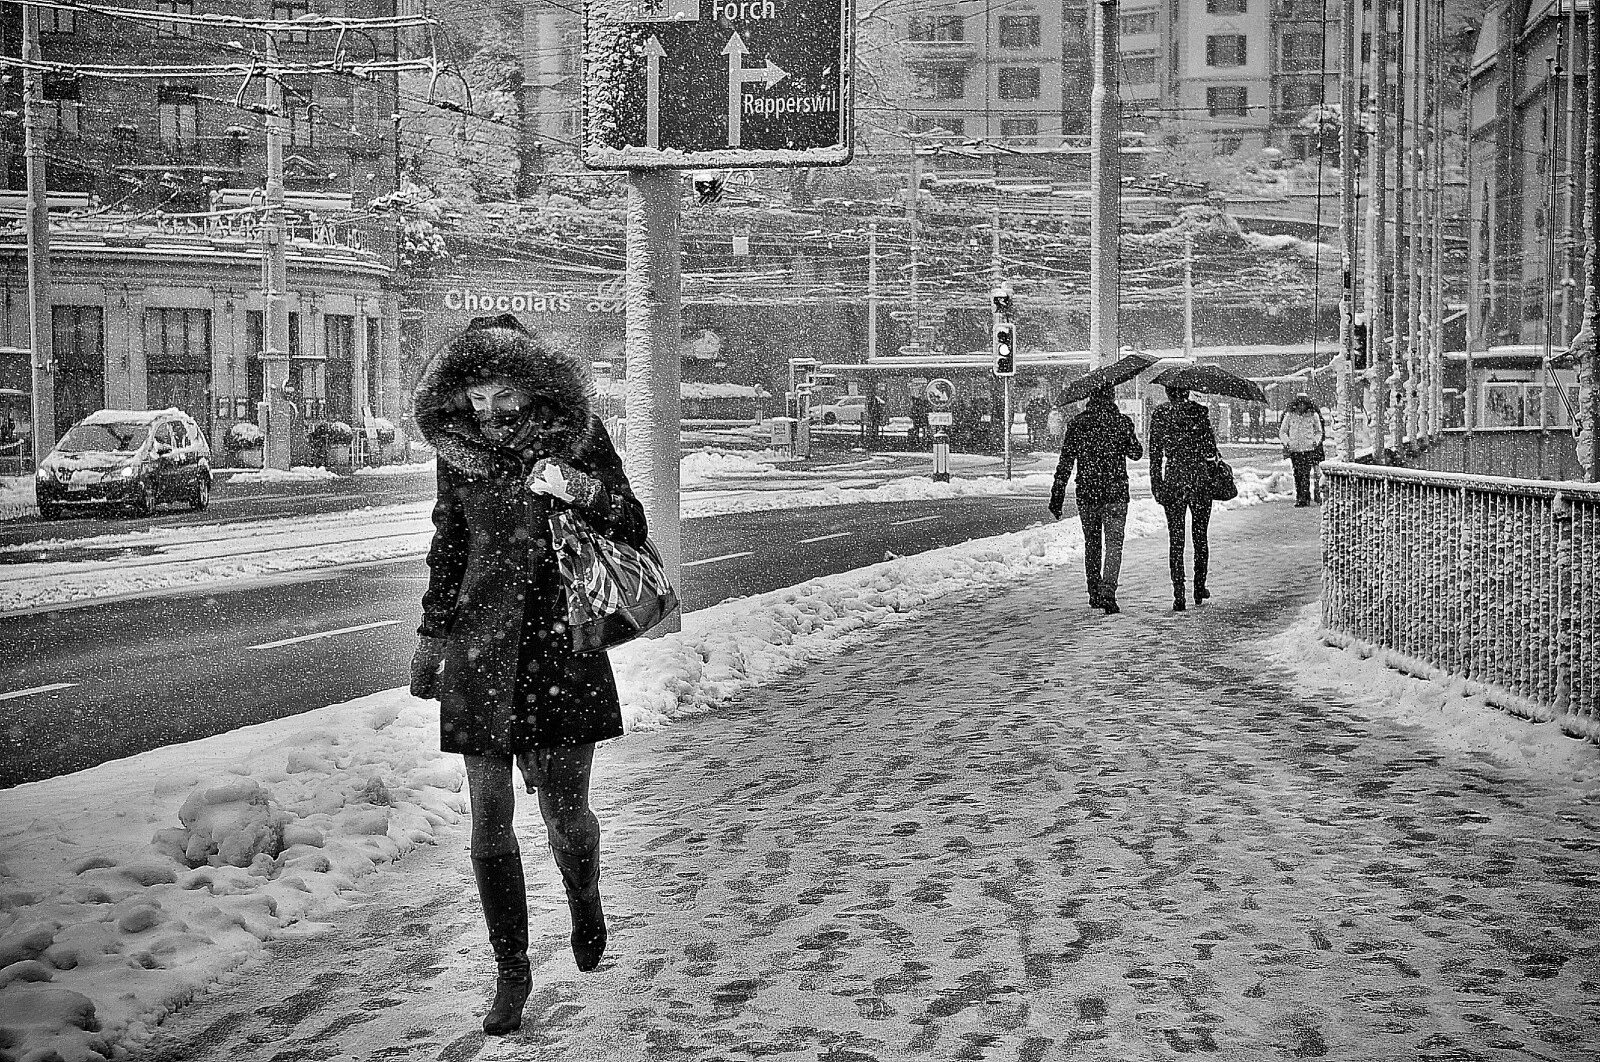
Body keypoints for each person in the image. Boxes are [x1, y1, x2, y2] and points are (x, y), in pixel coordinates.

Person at [408, 313, 647, 1036]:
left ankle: (585, 896)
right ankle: (511, 970)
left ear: (530, 386)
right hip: (479, 653)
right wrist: (430, 635)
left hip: (560, 647)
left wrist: (575, 485)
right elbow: (448, 546)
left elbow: (630, 522)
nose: (486, 409)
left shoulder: (576, 438)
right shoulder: (459, 455)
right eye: (474, 396)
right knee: (487, 825)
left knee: (566, 819)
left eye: (500, 392)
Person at [1049, 386, 1144, 613]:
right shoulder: (1121, 422)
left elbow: (1065, 461)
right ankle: (1108, 591)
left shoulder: (1078, 423)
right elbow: (1136, 453)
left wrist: (1058, 493)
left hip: (1088, 492)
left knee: (1092, 543)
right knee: (1114, 544)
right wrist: (1127, 435)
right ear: (1112, 397)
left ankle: (1094, 591)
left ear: (1090, 397)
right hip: (1115, 492)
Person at [1148, 384, 1222, 612]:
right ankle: (1199, 587)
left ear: (1169, 394)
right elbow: (1210, 450)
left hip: (1173, 479)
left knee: (1176, 538)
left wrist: (1156, 483)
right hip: (1199, 479)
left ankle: (1178, 592)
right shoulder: (1199, 414)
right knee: (1200, 535)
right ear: (1186, 392)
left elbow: (1154, 453)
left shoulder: (1160, 415)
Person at [1278, 393, 1326, 506]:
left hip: (1308, 448)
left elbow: (1319, 431)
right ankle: (1301, 495)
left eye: (1303, 404)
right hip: (1294, 449)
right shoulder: (1290, 415)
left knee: (1305, 473)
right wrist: (1287, 442)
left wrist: (1315, 441)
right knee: (1297, 474)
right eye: (1300, 404)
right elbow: (1283, 431)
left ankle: (1303, 498)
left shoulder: (1313, 415)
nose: (1301, 407)